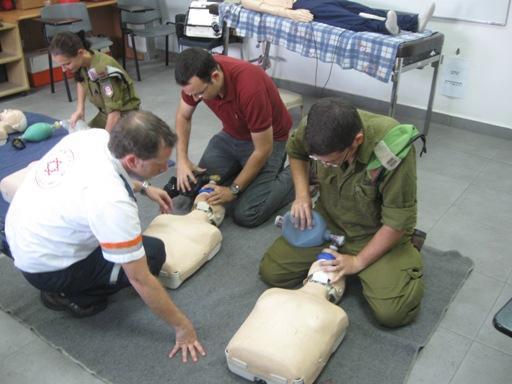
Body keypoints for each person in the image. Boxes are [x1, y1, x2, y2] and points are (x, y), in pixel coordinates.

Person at [5, 111, 205, 362]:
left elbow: (100, 173)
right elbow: (140, 279)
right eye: (160, 163)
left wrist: (144, 187)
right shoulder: (113, 202)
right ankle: (71, 295)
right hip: (46, 268)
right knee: (152, 255)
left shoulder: (94, 137)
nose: (166, 168)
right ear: (133, 160)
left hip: (23, 235)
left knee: (127, 241)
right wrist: (182, 327)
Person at [260, 97, 424, 328]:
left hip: (374, 232)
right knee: (272, 272)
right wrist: (302, 195)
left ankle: (407, 250)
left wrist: (357, 262)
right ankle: (344, 260)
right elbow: (295, 151)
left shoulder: (393, 149)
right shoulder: (314, 126)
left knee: (393, 313)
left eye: (332, 162)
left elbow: (396, 223)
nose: (324, 166)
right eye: (320, 161)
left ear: (357, 141)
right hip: (328, 220)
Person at [174, 48, 294, 228]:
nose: (195, 98)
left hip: (269, 141)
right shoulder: (195, 81)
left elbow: (263, 150)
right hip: (231, 135)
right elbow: (183, 116)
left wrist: (234, 189)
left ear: (215, 77)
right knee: (193, 189)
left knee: (247, 213)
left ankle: (299, 173)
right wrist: (182, 160)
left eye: (199, 94)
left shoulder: (250, 88)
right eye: (191, 94)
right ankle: (242, 173)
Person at [49, 31, 141, 132]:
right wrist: (80, 108)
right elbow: (81, 80)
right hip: (106, 114)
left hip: (126, 117)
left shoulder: (102, 70)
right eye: (61, 65)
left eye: (67, 64)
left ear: (80, 52)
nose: (63, 69)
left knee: (100, 144)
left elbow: (115, 114)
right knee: (82, 138)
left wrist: (103, 140)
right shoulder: (82, 61)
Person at [241, 0, 435, 35]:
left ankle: (413, 22)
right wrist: (291, 14)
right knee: (345, 17)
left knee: (357, 7)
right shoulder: (245, 0)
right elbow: (264, 7)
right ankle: (384, 28)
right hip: (298, 7)